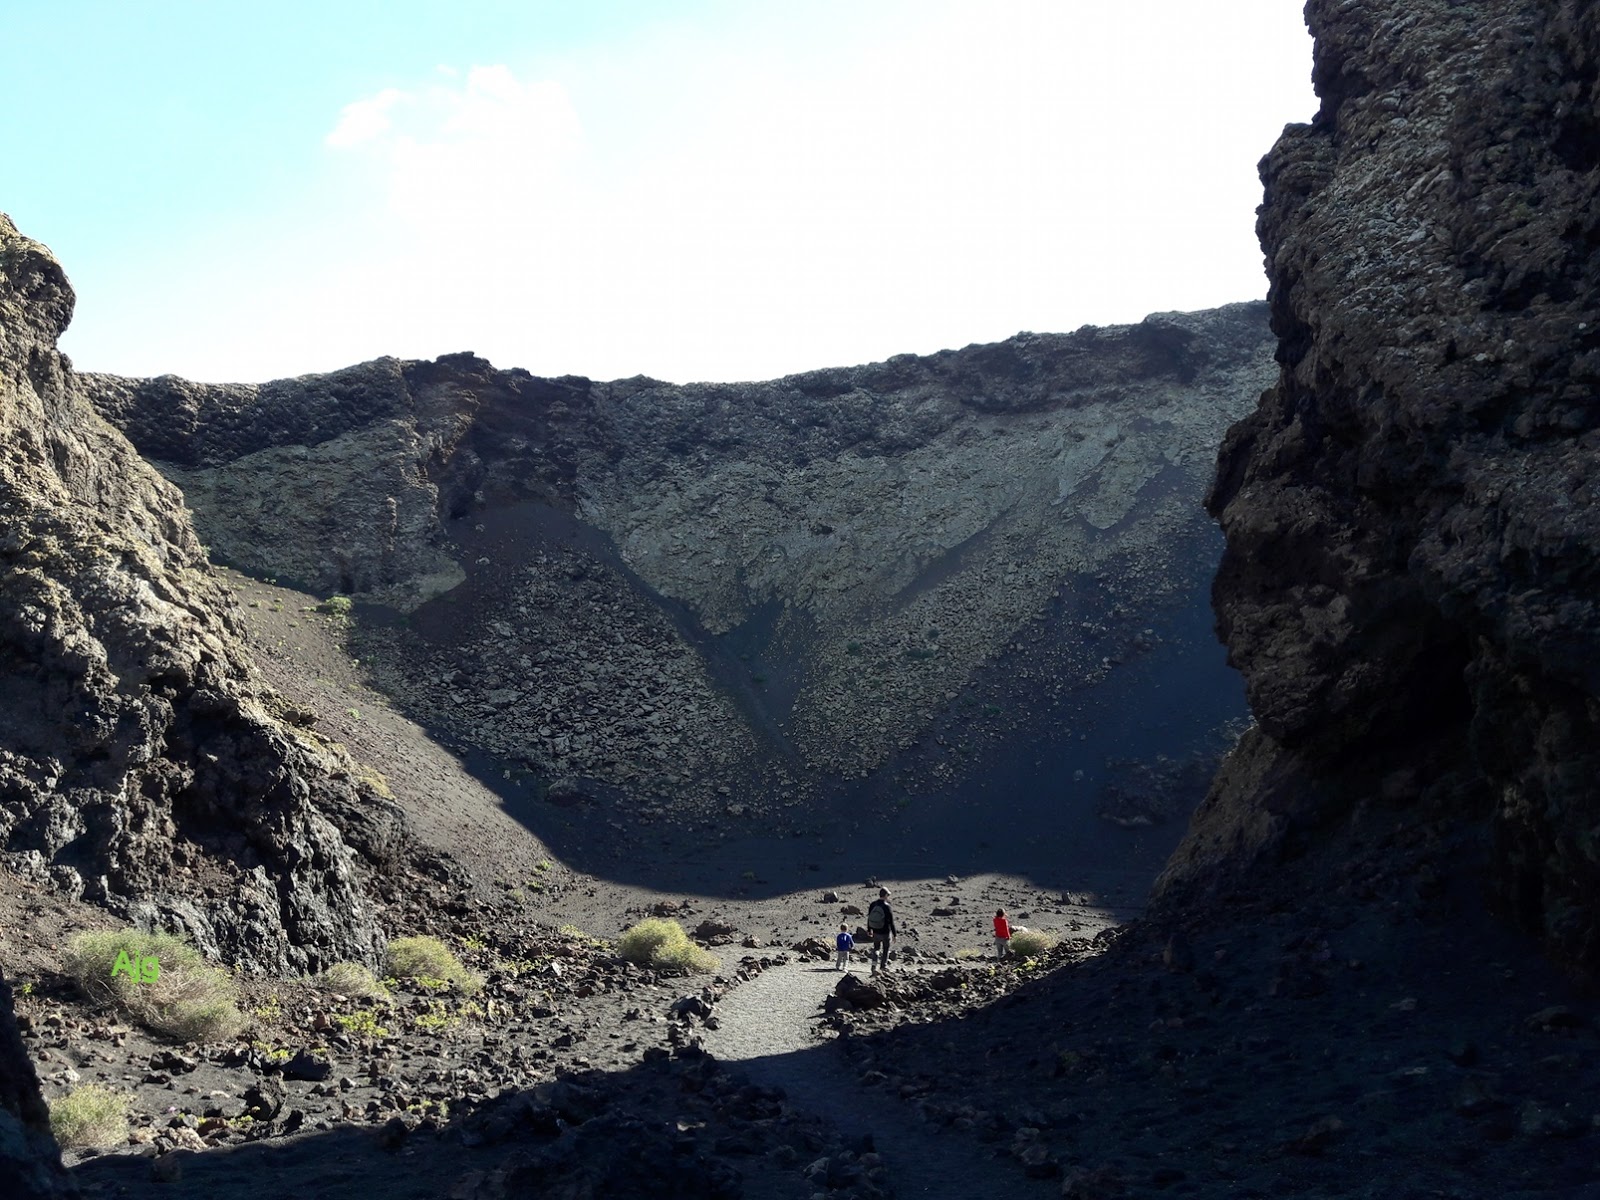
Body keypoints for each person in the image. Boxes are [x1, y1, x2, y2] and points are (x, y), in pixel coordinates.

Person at [866, 887, 896, 972]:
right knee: (885, 949)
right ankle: (883, 966)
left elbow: (869, 918)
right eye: (888, 895)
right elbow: (891, 922)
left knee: (876, 948)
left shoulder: (873, 904)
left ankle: (874, 965)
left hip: (875, 931)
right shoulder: (887, 906)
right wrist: (894, 934)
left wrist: (869, 929)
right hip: (885, 932)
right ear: (885, 895)